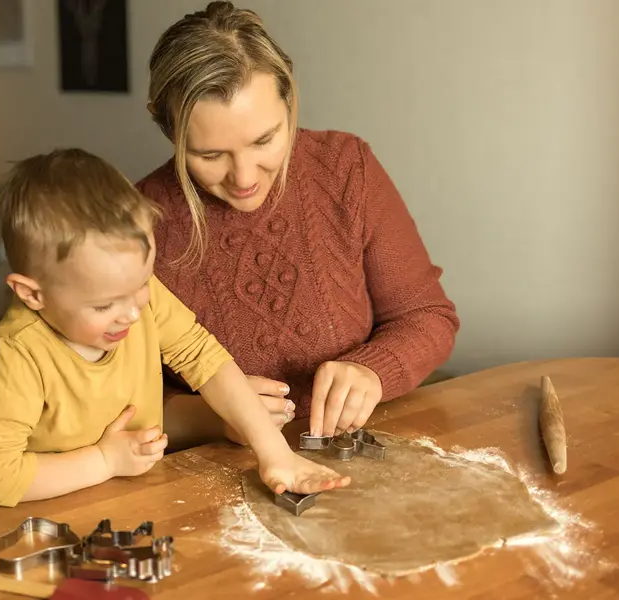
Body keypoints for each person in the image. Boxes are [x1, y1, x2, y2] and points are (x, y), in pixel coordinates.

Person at [136, 1, 460, 449]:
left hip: (368, 452)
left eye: (265, 140)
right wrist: (215, 413)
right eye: (209, 155)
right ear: (168, 127)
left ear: (289, 100)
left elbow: (427, 316)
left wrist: (375, 368)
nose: (244, 177)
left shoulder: (346, 169)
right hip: (218, 475)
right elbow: (108, 398)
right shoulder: (136, 224)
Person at [0, 148, 350, 507]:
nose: (132, 314)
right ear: (32, 295)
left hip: (144, 498)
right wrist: (103, 461)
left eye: (140, 287)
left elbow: (204, 356)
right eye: (103, 305)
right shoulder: (14, 353)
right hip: (53, 517)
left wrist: (274, 454)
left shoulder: (136, 298)